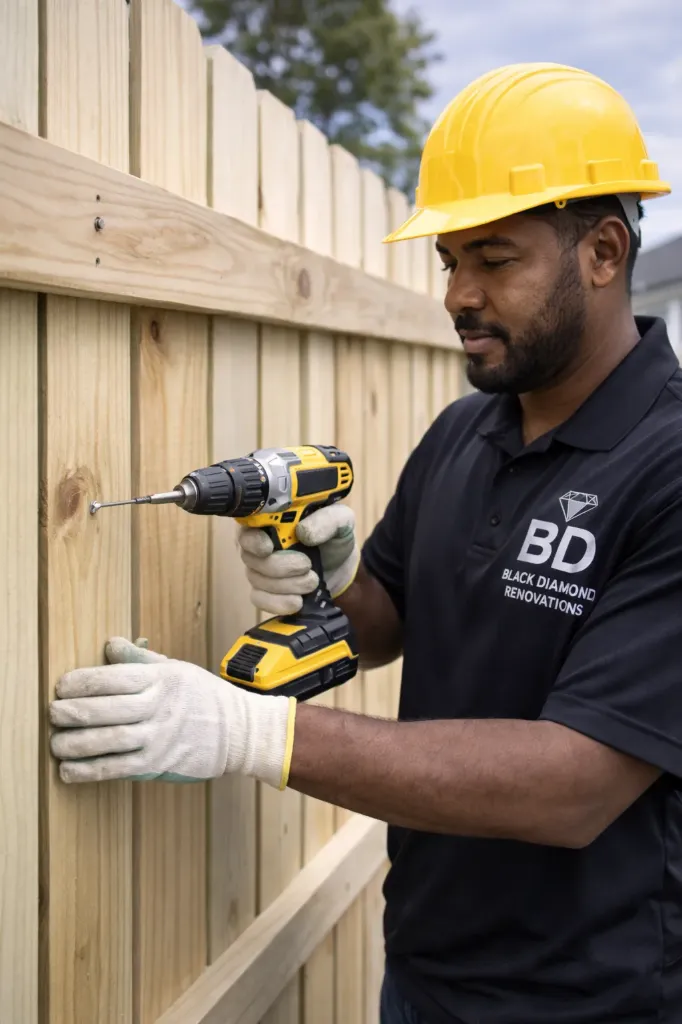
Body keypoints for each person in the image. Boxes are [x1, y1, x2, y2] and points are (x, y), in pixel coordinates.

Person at [48, 62, 682, 1024]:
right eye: (449, 261)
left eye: (495, 258)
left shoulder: (668, 465)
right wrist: (325, 585)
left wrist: (249, 731)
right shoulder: (465, 434)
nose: (457, 294)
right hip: (425, 969)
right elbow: (382, 620)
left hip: (598, 999)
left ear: (602, 251)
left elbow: (576, 785)